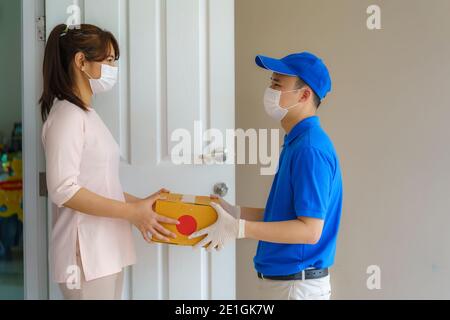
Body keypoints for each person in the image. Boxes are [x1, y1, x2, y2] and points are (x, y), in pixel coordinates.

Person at [40, 24, 179, 300]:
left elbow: (98, 184)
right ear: (81, 61)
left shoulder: (86, 114)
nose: (114, 68)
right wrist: (132, 213)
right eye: (109, 60)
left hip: (105, 251)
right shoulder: (67, 116)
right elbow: (63, 189)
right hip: (86, 255)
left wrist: (139, 205)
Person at [190, 52, 343, 300]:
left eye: (276, 84)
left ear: (304, 95)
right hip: (288, 284)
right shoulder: (297, 142)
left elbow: (310, 231)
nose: (269, 91)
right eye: (270, 82)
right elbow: (287, 215)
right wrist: (234, 212)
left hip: (296, 288)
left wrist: (239, 229)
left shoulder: (309, 150)